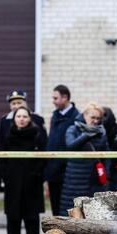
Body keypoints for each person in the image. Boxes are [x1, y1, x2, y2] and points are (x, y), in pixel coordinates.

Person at [0, 106, 48, 234]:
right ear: (14, 119)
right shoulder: (8, 135)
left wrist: (38, 174)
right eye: (18, 116)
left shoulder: (37, 135)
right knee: (13, 220)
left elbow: (44, 158)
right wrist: (1, 175)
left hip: (31, 184)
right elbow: (2, 157)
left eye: (24, 116)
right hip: (13, 184)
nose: (21, 119)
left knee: (31, 221)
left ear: (29, 119)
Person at [61, 102, 109, 212]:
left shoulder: (101, 132)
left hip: (94, 180)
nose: (96, 121)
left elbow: (106, 155)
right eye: (93, 117)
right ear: (84, 115)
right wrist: (86, 135)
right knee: (71, 213)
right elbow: (70, 146)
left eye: (98, 118)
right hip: (74, 179)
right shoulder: (73, 129)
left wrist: (107, 177)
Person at [45, 85, 79, 215]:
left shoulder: (76, 117)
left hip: (67, 172)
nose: (53, 101)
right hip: (53, 171)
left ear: (65, 97)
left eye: (56, 98)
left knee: (67, 211)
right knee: (55, 210)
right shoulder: (55, 116)